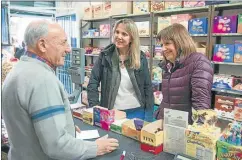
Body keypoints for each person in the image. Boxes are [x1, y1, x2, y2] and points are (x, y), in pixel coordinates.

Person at [2, 20, 119, 160]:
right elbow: (57, 146)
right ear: (42, 45)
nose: (68, 49)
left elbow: (26, 124)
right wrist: (96, 148)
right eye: (63, 43)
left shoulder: (18, 71)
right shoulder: (42, 80)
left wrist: (63, 127)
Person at [87, 19, 154, 120]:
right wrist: (95, 106)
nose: (119, 37)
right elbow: (93, 81)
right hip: (112, 112)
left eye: (124, 34)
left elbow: (147, 87)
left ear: (132, 38)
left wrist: (148, 116)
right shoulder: (105, 55)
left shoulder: (140, 57)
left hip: (137, 112)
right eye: (117, 32)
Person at [155, 23, 213, 124]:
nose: (163, 49)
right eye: (161, 45)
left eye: (167, 43)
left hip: (186, 128)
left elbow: (201, 102)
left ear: (180, 42)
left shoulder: (198, 62)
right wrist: (159, 116)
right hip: (168, 125)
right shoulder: (169, 66)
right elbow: (168, 100)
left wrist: (197, 132)